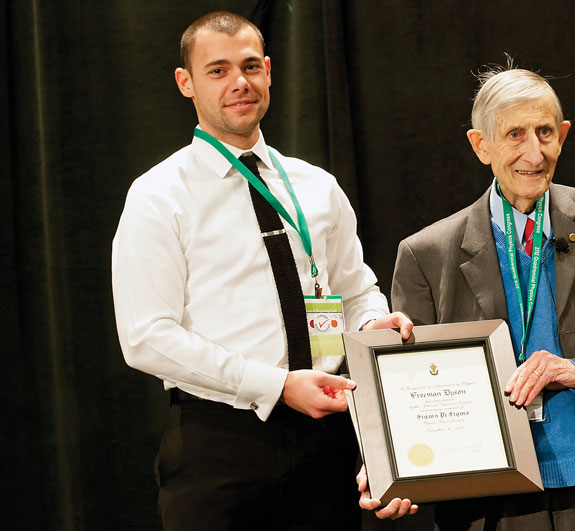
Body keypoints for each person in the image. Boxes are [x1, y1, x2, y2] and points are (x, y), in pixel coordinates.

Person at [112, 11, 415, 530]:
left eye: (251, 66)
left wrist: (371, 325)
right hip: (220, 446)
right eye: (218, 70)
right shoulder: (158, 195)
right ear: (185, 82)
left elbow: (356, 291)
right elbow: (146, 337)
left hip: (329, 443)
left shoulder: (317, 185)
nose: (239, 82)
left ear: (270, 72)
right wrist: (275, 385)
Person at [390, 63, 575, 530]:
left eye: (545, 132)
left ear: (563, 135)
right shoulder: (426, 254)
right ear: (480, 145)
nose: (534, 152)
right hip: (486, 492)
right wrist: (390, 464)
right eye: (515, 134)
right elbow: (407, 385)